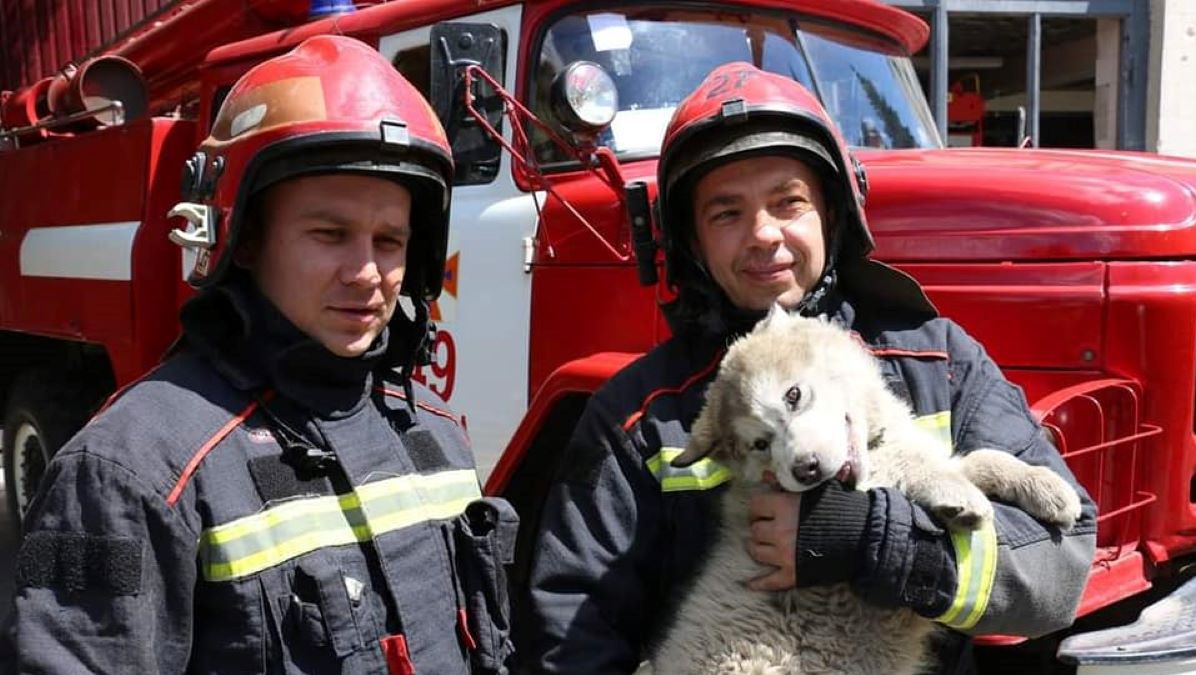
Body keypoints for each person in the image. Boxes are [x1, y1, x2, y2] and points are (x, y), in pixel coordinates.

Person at [522, 62, 1097, 674]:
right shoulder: (640, 418)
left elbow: (1060, 571)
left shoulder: (939, 362)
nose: (763, 234)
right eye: (726, 214)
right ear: (689, 241)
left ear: (832, 211)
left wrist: (883, 543)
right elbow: (570, 638)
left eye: (787, 202)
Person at [1, 36, 515, 674]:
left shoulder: (435, 433)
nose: (367, 272)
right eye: (329, 234)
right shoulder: (123, 471)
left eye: (390, 241)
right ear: (242, 241)